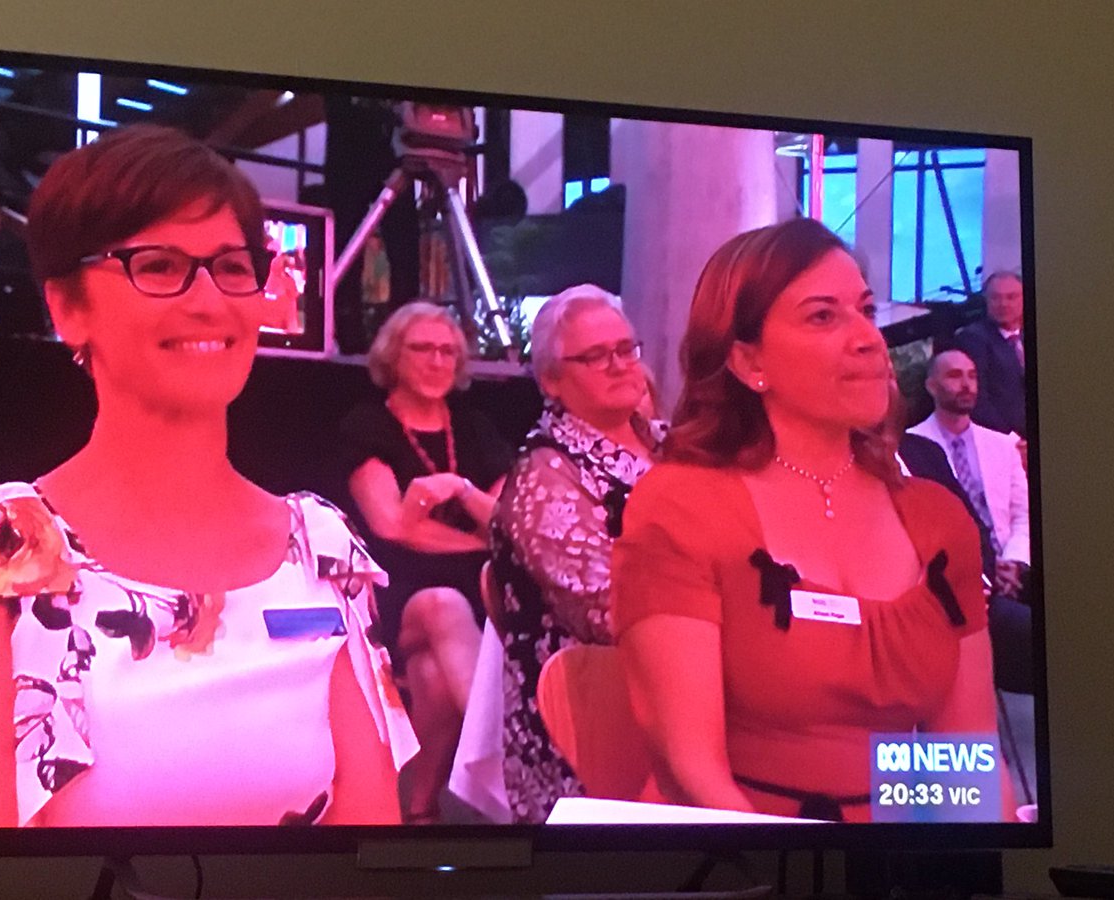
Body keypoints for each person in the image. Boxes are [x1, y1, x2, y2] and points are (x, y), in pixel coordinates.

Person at [0, 125, 413, 828]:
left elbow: (369, 839)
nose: (209, 300)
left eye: (233, 266)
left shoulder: (319, 543)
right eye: (160, 265)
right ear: (67, 307)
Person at [612, 218, 1013, 823]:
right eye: (823, 316)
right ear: (748, 361)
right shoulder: (681, 505)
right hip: (734, 857)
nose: (869, 340)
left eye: (866, 311)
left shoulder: (935, 518)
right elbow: (691, 770)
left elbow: (963, 760)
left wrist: (918, 856)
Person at [490, 284, 666, 824]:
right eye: (593, 356)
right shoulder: (545, 475)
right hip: (585, 721)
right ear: (551, 381)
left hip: (673, 687)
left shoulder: (677, 448)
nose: (617, 365)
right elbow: (607, 610)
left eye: (624, 349)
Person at [341, 301, 513, 823]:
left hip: (480, 590)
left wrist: (460, 489)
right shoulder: (367, 426)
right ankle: (505, 752)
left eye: (447, 351)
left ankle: (418, 811)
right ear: (395, 355)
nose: (437, 361)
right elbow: (390, 526)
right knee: (441, 607)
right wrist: (479, 538)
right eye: (423, 349)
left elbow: (506, 522)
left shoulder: (478, 427)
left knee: (435, 677)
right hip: (397, 588)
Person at [908, 347, 1035, 803]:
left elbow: (1023, 515)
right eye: (955, 376)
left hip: (1006, 567)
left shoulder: (1002, 444)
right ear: (931, 385)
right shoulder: (910, 448)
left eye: (972, 375)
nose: (966, 385)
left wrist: (1012, 561)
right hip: (947, 591)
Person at [955, 271, 1027, 438]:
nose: (1003, 304)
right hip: (1002, 437)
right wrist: (1011, 438)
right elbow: (978, 401)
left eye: (1011, 297)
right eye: (996, 298)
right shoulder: (972, 339)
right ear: (986, 301)